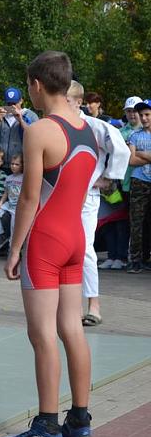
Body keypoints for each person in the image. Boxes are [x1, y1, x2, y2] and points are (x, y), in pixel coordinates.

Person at [0, 51, 98, 437]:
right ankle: (81, 418)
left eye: (29, 86)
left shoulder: (39, 131)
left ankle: (47, 426)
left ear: (37, 85)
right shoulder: (87, 129)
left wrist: (14, 249)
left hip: (46, 242)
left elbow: (29, 198)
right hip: (75, 237)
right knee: (71, 329)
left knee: (41, 335)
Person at [67, 80, 130, 325]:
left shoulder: (95, 126)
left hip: (87, 197)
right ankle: (66, 303)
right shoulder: (56, 126)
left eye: (68, 100)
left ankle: (94, 305)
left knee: (84, 250)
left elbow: (122, 151)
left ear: (79, 102)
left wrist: (108, 177)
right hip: (61, 196)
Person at [0, 87, 37, 170]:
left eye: (14, 103)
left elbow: (35, 138)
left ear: (21, 101)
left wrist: (20, 120)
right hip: (0, 166)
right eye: (9, 104)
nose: (12, 107)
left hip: (20, 166)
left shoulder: (30, 116)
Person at [127, 100, 151, 274]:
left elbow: (137, 156)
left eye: (147, 114)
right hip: (139, 181)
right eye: (141, 115)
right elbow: (131, 160)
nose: (143, 118)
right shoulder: (134, 135)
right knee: (137, 221)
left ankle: (147, 257)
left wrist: (141, 154)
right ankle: (135, 259)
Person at [0, 154, 23, 251]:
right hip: (9, 203)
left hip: (18, 206)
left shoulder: (24, 177)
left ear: (22, 166)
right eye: (12, 164)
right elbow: (6, 193)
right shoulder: (9, 178)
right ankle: (1, 235)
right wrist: (0, 203)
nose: (13, 166)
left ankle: (11, 250)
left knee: (14, 228)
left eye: (17, 164)